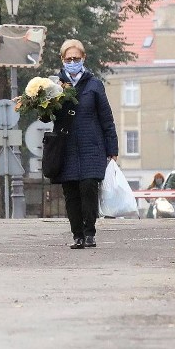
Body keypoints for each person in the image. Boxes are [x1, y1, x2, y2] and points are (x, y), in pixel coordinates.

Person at [51, 39, 119, 249]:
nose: (72, 62)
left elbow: (106, 118)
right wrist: (42, 103)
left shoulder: (94, 85)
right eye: (69, 59)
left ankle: (90, 232)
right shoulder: (54, 86)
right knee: (71, 192)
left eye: (76, 58)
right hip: (66, 147)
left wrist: (112, 148)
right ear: (62, 60)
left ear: (83, 59)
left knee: (89, 187)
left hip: (92, 146)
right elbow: (47, 117)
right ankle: (77, 235)